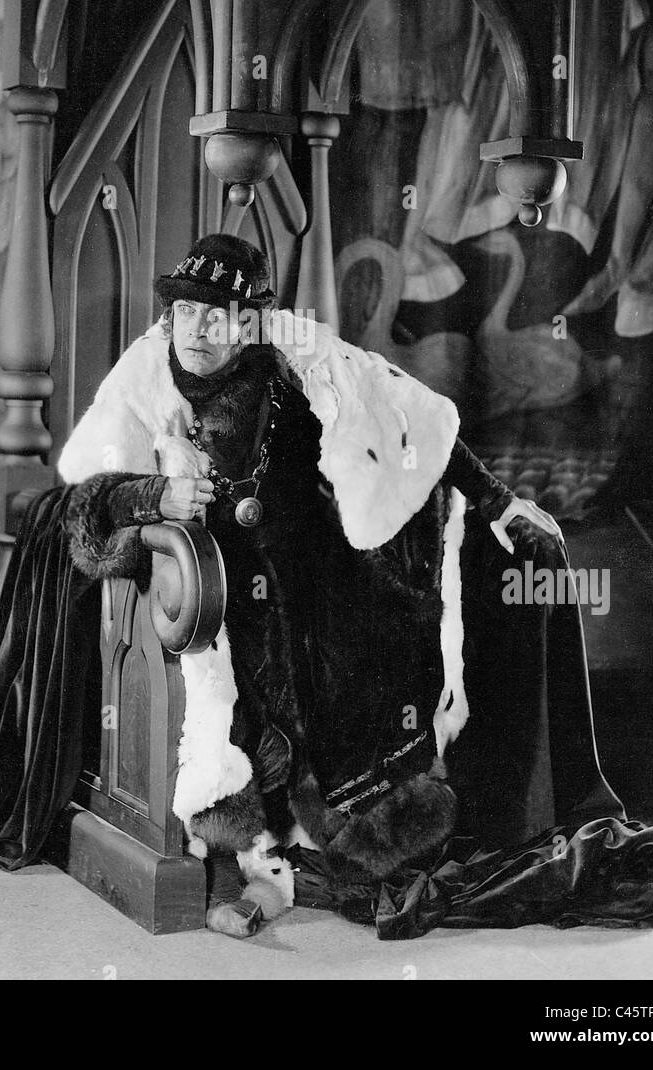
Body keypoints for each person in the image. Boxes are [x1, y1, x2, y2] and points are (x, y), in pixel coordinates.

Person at [56, 233, 602, 938]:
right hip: (207, 576)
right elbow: (82, 497)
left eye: (217, 313)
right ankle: (244, 849)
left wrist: (498, 501)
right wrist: (155, 494)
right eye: (187, 311)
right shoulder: (144, 377)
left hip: (310, 561)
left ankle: (346, 835)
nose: (197, 328)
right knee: (246, 675)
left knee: (364, 654)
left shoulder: (298, 362)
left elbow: (414, 420)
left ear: (250, 320)